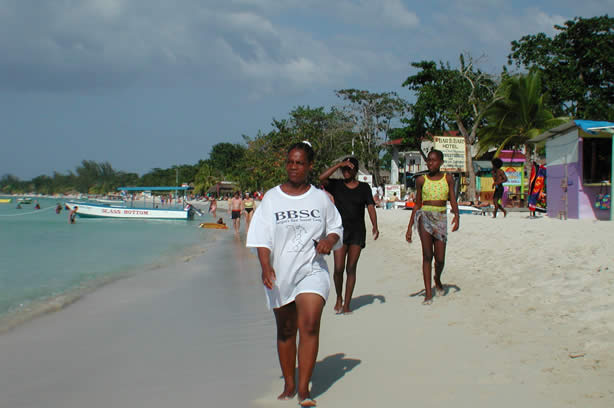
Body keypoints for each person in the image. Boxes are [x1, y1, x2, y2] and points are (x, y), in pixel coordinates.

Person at [246, 141, 343, 407]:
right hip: (280, 273)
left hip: (312, 269)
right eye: (290, 162)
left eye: (300, 162)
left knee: (309, 323)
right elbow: (261, 238)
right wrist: (266, 267)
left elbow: (336, 228)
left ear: (310, 166)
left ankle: (304, 390)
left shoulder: (320, 198)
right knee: (287, 330)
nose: (294, 167)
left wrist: (329, 241)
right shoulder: (272, 198)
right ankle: (289, 384)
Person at [319, 156, 379, 314]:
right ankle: (339, 297)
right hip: (339, 232)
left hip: (357, 232)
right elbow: (321, 178)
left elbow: (371, 207)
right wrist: (339, 163)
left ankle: (347, 305)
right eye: (343, 169)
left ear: (355, 170)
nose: (345, 172)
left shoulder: (364, 188)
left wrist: (375, 225)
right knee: (338, 268)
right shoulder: (336, 185)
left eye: (349, 168)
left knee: (351, 268)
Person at [406, 150, 459, 305]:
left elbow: (453, 199)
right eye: (429, 160)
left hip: (441, 218)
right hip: (425, 218)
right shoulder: (421, 180)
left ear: (441, 162)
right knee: (427, 255)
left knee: (440, 258)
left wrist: (457, 215)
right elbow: (417, 204)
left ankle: (437, 278)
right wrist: (409, 228)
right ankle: (428, 293)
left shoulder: (448, 178)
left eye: (434, 160)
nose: (431, 163)